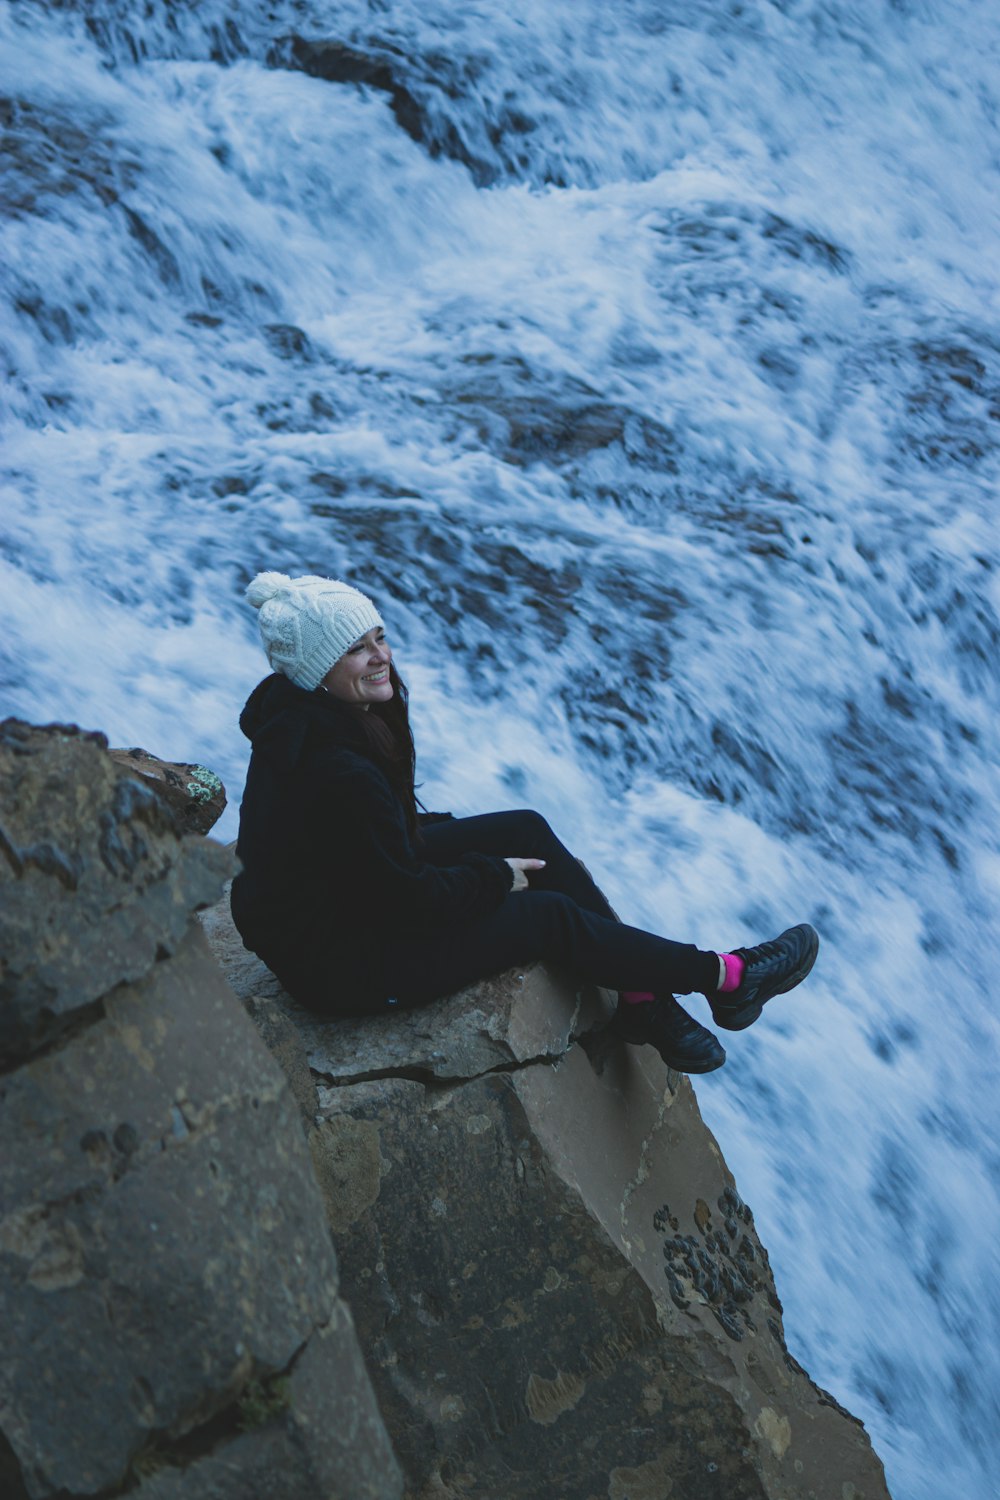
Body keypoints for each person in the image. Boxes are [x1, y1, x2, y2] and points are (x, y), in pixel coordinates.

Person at [231, 572, 818, 1074]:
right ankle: (728, 978)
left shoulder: (309, 717)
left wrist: (462, 846)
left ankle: (641, 996)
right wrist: (493, 877)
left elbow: (361, 845)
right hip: (341, 964)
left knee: (525, 827)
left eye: (380, 636)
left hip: (347, 901)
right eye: (358, 649)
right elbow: (405, 900)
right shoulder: (334, 768)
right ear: (316, 671)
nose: (382, 656)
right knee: (546, 914)